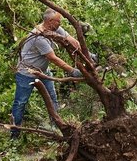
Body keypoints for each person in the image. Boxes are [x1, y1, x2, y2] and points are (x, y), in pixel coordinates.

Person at [11, 9, 83, 139]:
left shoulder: (53, 28)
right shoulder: (38, 36)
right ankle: (14, 134)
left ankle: (56, 127)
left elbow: (68, 37)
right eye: (58, 21)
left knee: (52, 98)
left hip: (43, 71)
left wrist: (76, 44)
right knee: (20, 102)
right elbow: (53, 58)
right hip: (26, 73)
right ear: (50, 22)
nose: (60, 24)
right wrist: (72, 71)